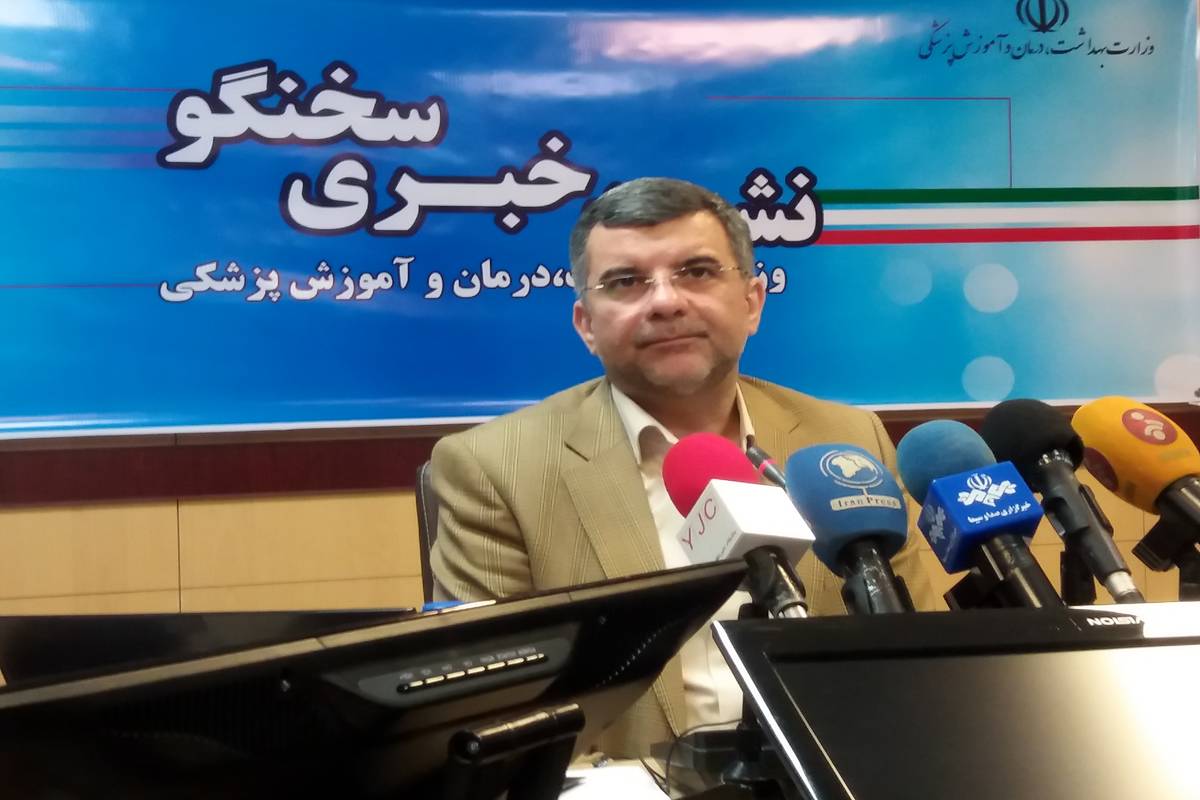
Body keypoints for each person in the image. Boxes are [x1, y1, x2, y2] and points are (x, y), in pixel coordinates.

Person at [428, 177, 939, 758]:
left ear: (752, 302)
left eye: (696, 272)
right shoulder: (495, 469)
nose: (666, 302)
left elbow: (918, 656)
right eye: (626, 282)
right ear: (586, 324)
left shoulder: (846, 441)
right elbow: (496, 720)